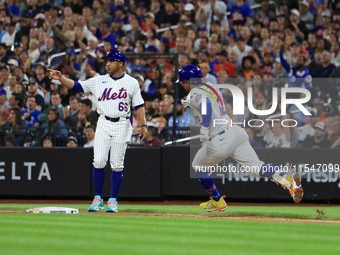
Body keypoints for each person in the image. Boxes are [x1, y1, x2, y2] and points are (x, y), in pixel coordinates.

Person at [177, 65, 303, 212]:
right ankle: (286, 178)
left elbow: (207, 106)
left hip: (220, 139)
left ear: (187, 82)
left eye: (182, 82)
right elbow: (205, 100)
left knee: (198, 166)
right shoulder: (211, 85)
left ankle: (217, 200)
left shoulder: (194, 94)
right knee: (256, 167)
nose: (182, 85)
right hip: (235, 132)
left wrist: (205, 127)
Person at [48, 49, 148, 213]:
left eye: (111, 60)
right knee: (99, 160)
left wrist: (143, 125)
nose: (107, 63)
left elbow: (139, 105)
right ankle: (98, 197)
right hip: (103, 122)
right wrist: (61, 78)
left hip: (122, 123)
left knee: (117, 164)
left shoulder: (132, 82)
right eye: (106, 60)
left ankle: (113, 200)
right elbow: (77, 85)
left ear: (121, 63)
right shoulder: (99, 80)